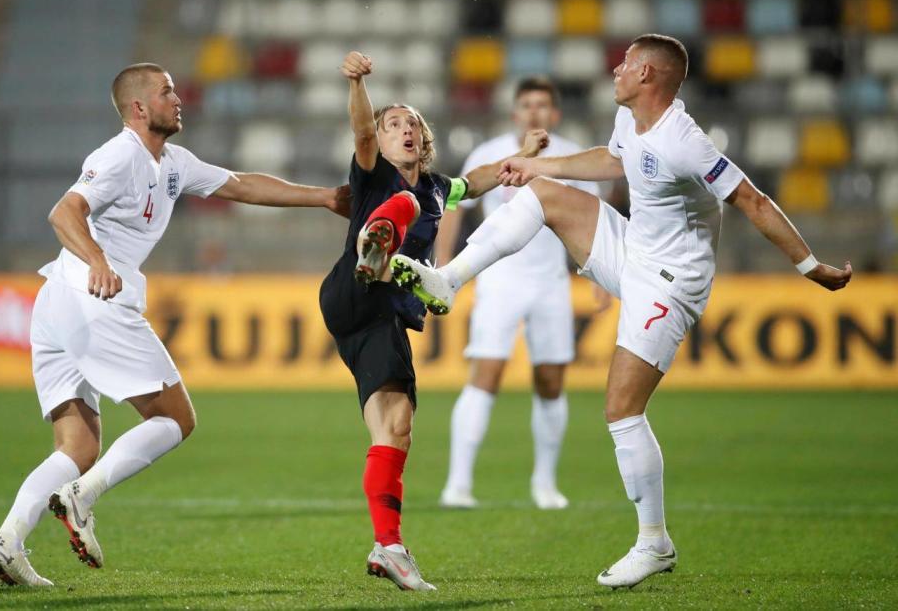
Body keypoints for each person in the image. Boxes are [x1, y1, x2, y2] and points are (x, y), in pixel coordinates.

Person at [389, 34, 853, 589]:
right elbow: (614, 161)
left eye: (628, 63)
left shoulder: (686, 142)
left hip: (670, 284)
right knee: (543, 192)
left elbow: (751, 198)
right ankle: (449, 279)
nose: (616, 68)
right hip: (632, 250)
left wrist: (811, 267)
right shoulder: (631, 123)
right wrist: (538, 164)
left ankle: (654, 541)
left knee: (621, 410)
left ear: (650, 75)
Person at [0, 63, 350, 587]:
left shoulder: (172, 161)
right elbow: (64, 213)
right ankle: (82, 497)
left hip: (59, 303)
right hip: (93, 297)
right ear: (138, 107)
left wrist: (326, 197)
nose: (178, 98)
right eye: (166, 91)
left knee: (78, 447)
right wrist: (99, 261)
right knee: (176, 418)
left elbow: (242, 185)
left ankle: (8, 542)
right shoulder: (119, 154)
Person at [319, 51, 548, 592]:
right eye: (393, 123)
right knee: (401, 204)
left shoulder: (441, 189)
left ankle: (388, 546)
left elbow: (478, 180)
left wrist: (524, 154)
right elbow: (361, 132)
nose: (404, 129)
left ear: (424, 140)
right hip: (356, 287)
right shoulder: (374, 173)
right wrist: (357, 86)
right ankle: (376, 245)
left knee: (394, 428)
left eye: (412, 124)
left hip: (381, 319)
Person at [436, 76, 609, 511]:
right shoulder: (489, 154)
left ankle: (545, 483)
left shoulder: (575, 157)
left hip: (551, 280)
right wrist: (442, 263)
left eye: (542, 105)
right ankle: (457, 484)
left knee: (551, 381)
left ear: (555, 114)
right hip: (500, 279)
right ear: (515, 113)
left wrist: (598, 276)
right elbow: (455, 203)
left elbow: (592, 221)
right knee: (486, 374)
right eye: (527, 105)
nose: (534, 112)